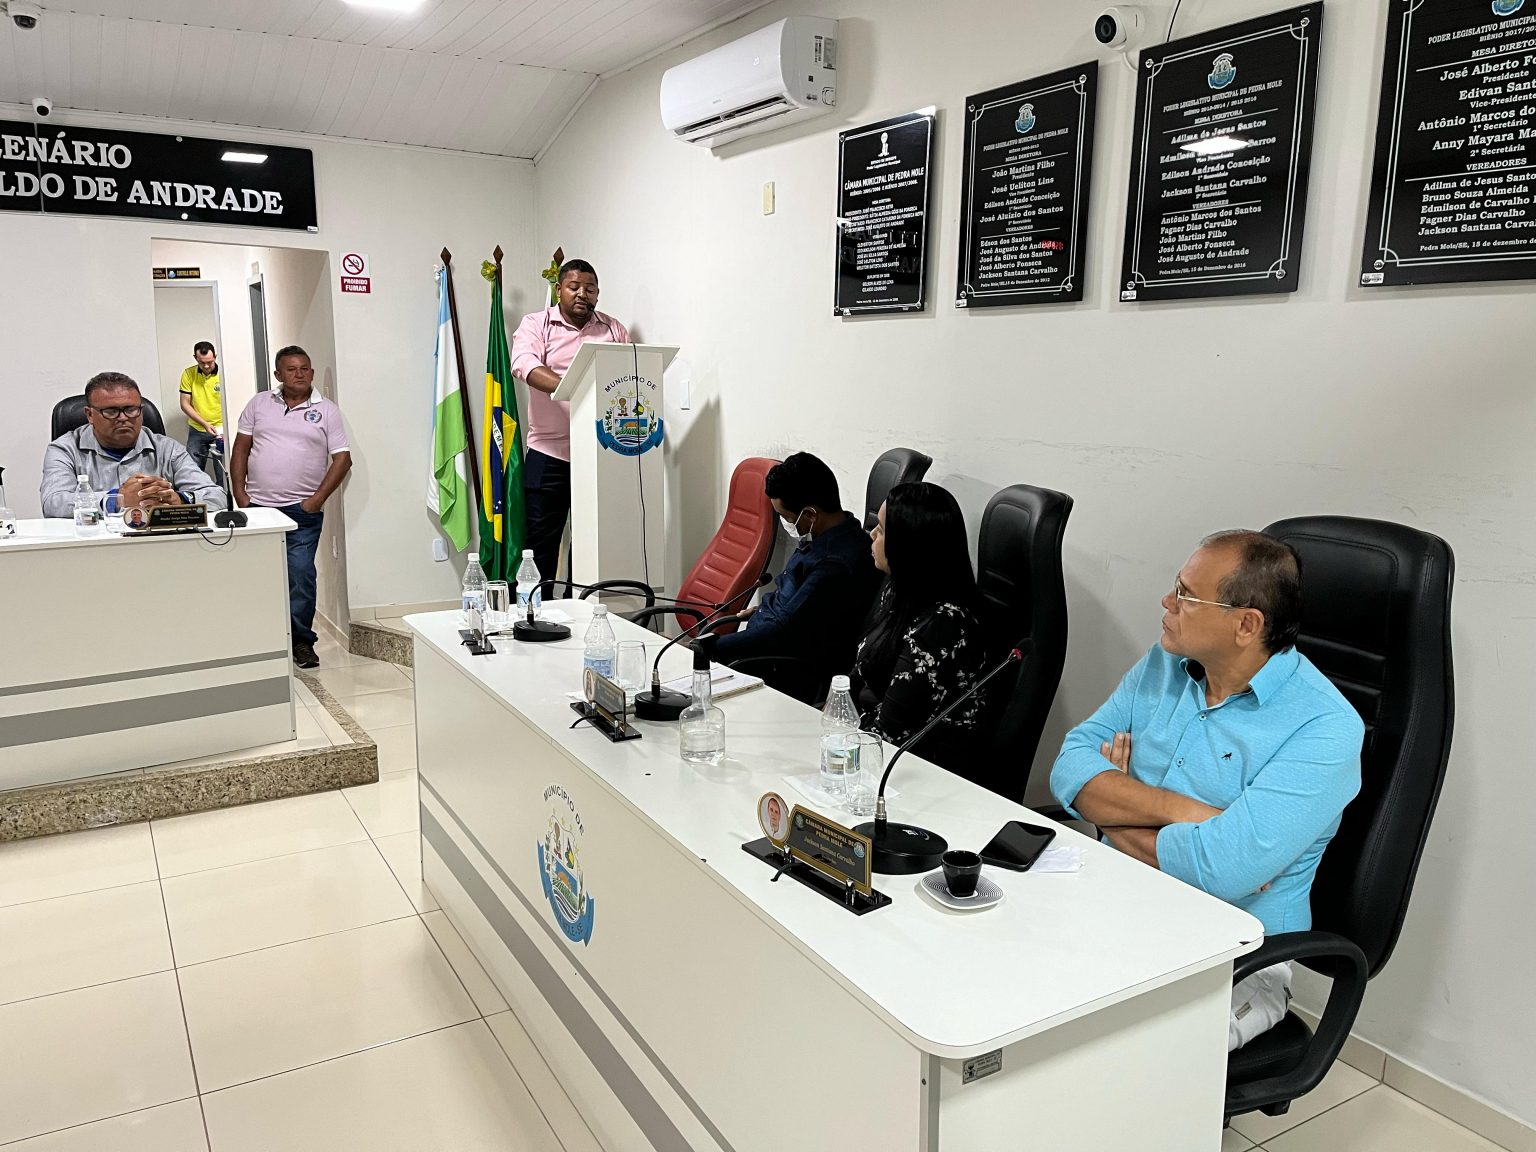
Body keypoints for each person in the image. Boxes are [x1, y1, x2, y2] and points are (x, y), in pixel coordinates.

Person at [1049, 530, 1363, 1052]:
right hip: (1116, 901)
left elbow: (1221, 871)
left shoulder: (1326, 728)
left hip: (1237, 956)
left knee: (1110, 1050)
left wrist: (1108, 808)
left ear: (1246, 624)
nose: (1167, 602)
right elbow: (1069, 767)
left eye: (1186, 595)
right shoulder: (1164, 663)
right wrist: (1191, 813)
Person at [711, 453, 880, 700]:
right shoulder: (833, 533)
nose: (786, 524)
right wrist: (761, 609)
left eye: (787, 518)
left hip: (783, 667)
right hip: (767, 641)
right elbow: (798, 602)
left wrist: (711, 648)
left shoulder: (834, 564)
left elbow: (782, 632)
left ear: (810, 514)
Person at [851, 483, 992, 774]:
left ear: (909, 546)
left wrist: (834, 745)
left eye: (881, 530)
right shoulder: (899, 590)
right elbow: (860, 673)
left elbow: (890, 735)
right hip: (871, 744)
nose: (872, 535)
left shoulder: (943, 626)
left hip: (919, 769)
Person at [510, 258, 630, 595]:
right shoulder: (536, 324)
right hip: (549, 454)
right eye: (574, 287)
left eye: (590, 289)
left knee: (591, 540)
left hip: (600, 454)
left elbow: (630, 375)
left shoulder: (613, 330)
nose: (582, 294)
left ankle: (578, 605)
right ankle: (535, 610)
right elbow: (524, 365)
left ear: (597, 294)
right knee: (541, 544)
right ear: (558, 289)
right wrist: (574, 387)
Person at [231, 346, 352, 670]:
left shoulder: (326, 410)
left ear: (311, 372)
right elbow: (241, 448)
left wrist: (316, 501)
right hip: (259, 509)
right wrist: (240, 495)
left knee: (300, 575)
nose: (300, 374)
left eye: (305, 368)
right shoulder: (259, 403)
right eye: (292, 369)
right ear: (278, 374)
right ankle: (261, 638)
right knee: (258, 574)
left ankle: (301, 642)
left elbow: (343, 459)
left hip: (302, 513)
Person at [40, 371, 225, 518]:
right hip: (93, 546)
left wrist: (181, 500)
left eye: (131, 409)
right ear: (90, 415)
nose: (123, 418)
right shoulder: (64, 449)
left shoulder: (168, 449)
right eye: (111, 411)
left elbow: (217, 496)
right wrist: (116, 500)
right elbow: (53, 503)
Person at [179, 340, 223, 482]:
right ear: (195, 358)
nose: (206, 366)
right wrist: (205, 424)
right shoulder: (188, 374)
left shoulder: (224, 373)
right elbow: (184, 404)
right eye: (202, 362)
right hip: (197, 429)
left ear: (215, 356)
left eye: (209, 362)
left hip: (221, 430)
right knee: (192, 472)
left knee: (223, 473)